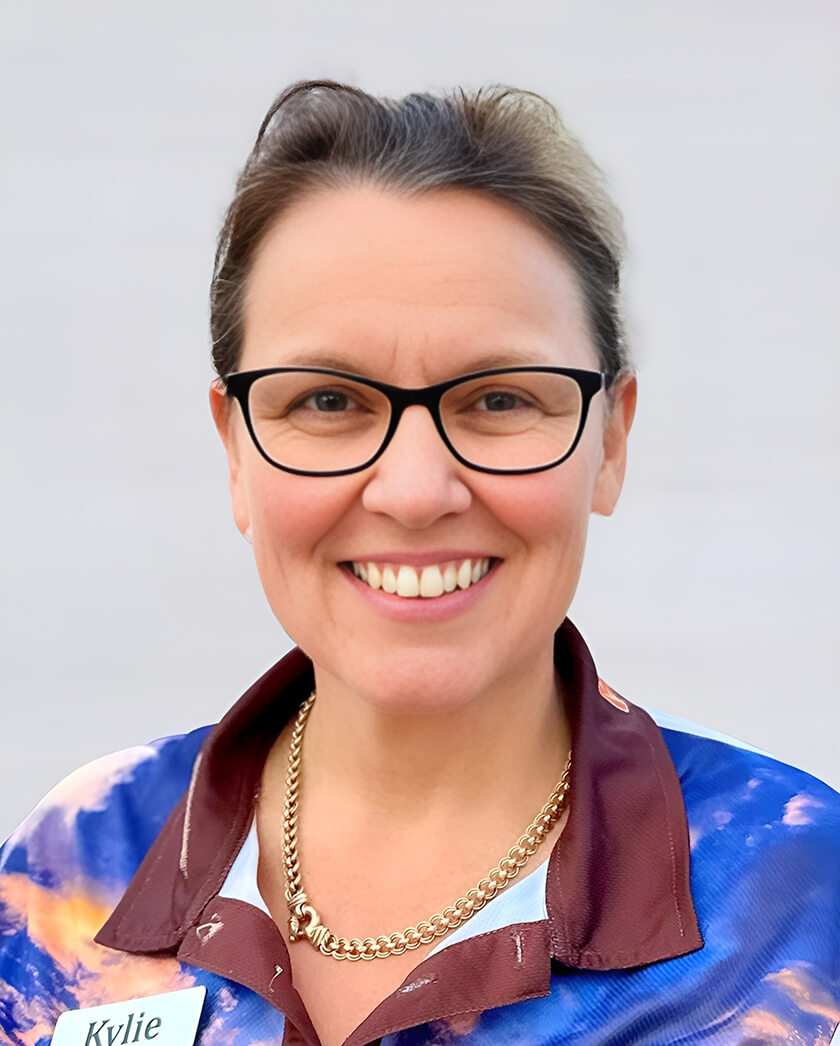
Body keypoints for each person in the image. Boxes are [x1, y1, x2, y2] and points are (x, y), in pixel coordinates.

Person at [1, 80, 838, 1046]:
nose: (413, 490)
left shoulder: (804, 905)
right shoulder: (72, 864)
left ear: (609, 442)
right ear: (236, 451)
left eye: (498, 399)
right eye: (326, 401)